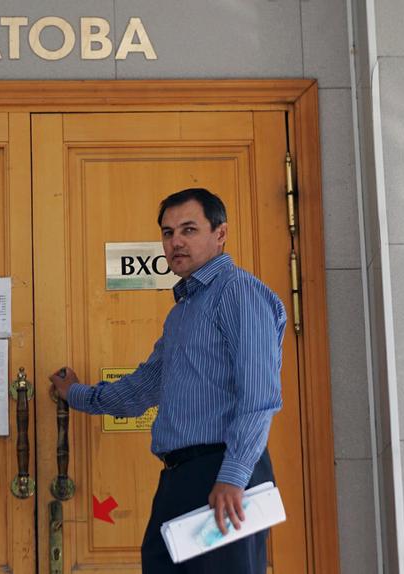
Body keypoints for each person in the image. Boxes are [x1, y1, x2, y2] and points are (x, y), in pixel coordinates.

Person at [49, 188, 286, 574]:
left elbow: (260, 395)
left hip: (224, 471)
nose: (175, 241)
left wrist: (234, 475)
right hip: (179, 478)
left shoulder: (238, 292)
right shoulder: (183, 313)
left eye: (189, 229)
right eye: (167, 232)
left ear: (220, 234)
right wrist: (76, 394)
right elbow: (144, 387)